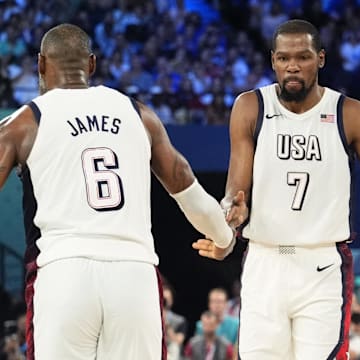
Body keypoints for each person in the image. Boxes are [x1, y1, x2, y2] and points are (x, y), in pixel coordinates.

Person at [0, 24, 235, 360]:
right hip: (133, 273)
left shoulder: (24, 122)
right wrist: (224, 237)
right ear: (92, 65)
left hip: (64, 272)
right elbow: (182, 178)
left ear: (40, 64)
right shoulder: (137, 113)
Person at [193, 19, 360, 359]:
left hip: (322, 264)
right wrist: (233, 214)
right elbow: (234, 191)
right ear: (273, 61)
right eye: (283, 58)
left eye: (303, 56)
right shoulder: (251, 106)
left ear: (322, 58)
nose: (293, 65)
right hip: (265, 261)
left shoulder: (349, 113)